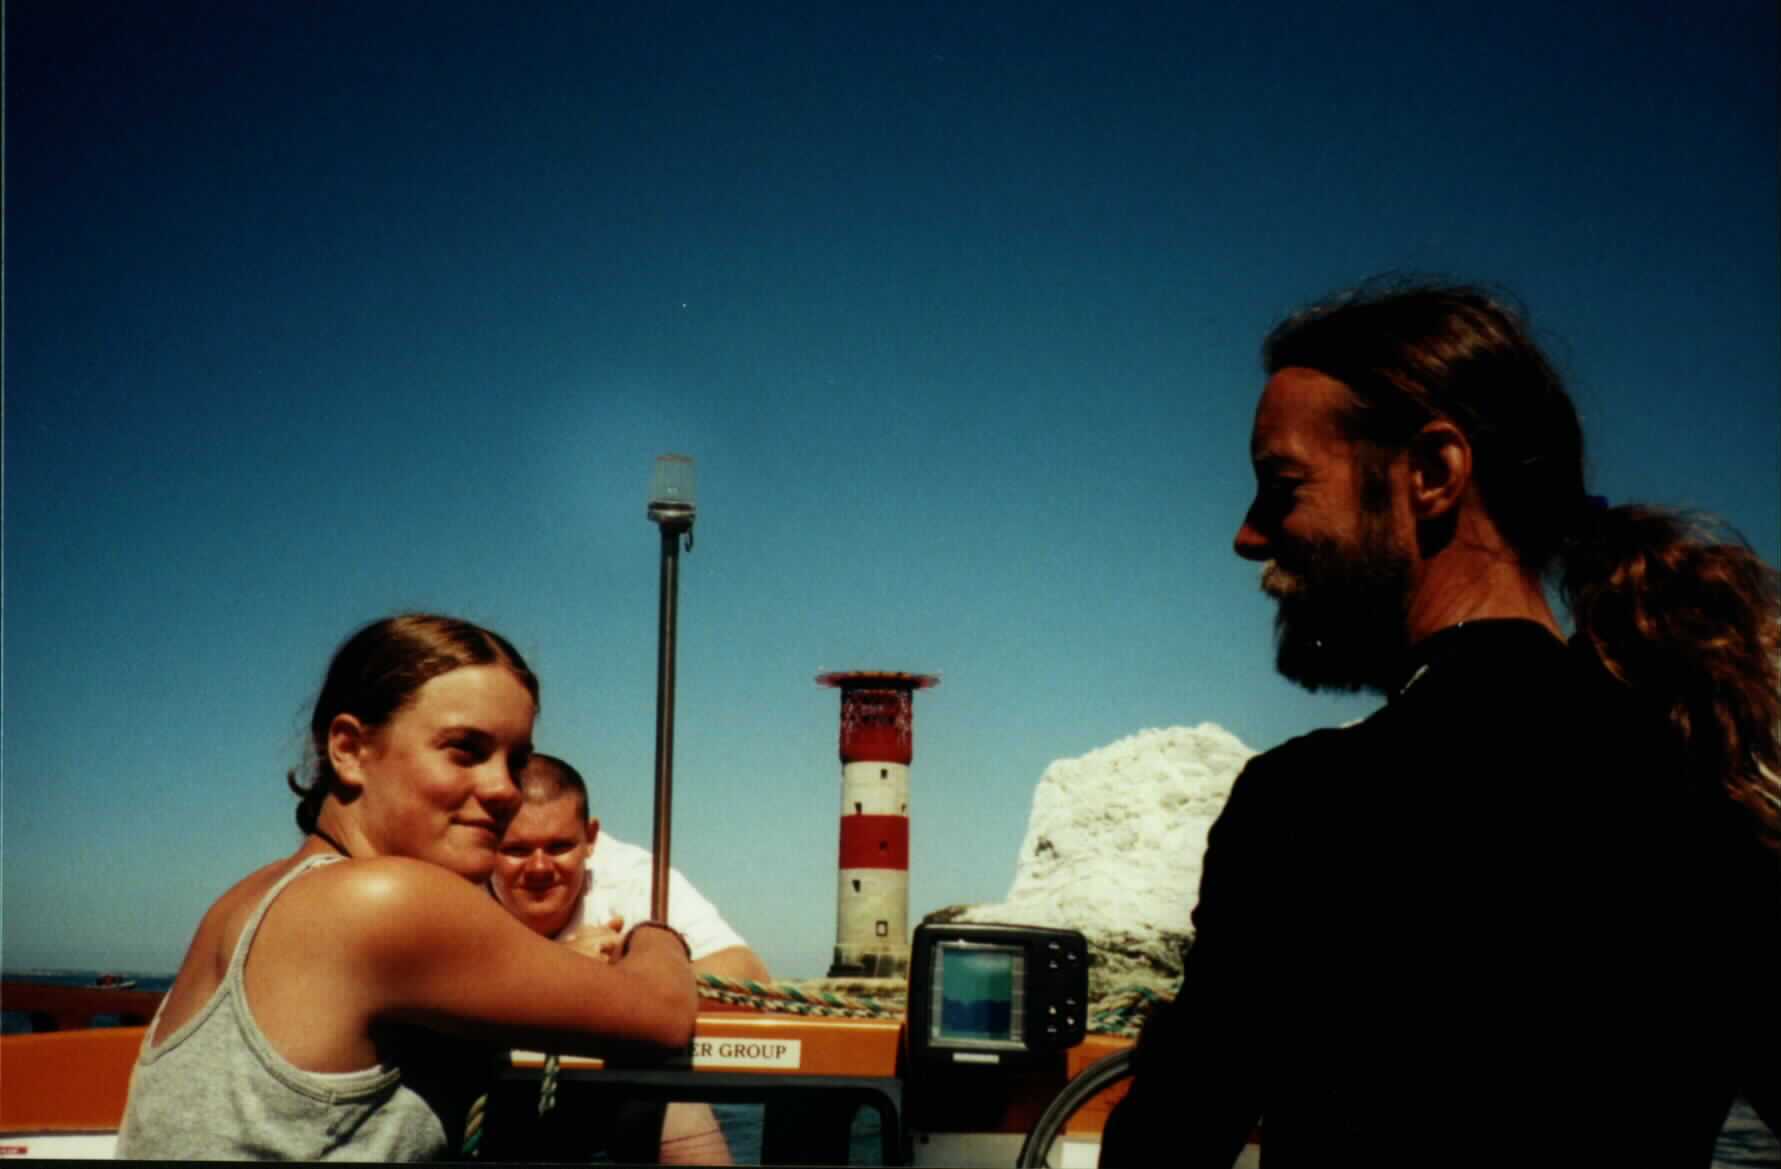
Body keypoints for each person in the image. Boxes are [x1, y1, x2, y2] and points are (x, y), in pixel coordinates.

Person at [1101, 282, 1781, 1167]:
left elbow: (1166, 1148)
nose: (1248, 535)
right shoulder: (1699, 770)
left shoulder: (1307, 807)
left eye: (1281, 487)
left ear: (1429, 474)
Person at [115, 614, 698, 1160]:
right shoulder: (386, 901)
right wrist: (653, 934)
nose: (505, 790)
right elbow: (666, 1014)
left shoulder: (249, 900)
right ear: (349, 749)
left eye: (516, 761)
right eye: (464, 751)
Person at [487, 752, 770, 1163]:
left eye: (560, 847)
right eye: (516, 850)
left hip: (624, 1088)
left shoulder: (636, 879)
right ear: (487, 838)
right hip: (486, 1086)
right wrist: (560, 969)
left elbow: (749, 975)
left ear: (591, 838)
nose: (539, 867)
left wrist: (630, 979)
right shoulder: (458, 874)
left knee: (677, 1104)